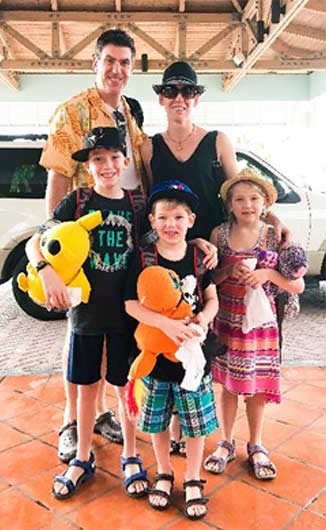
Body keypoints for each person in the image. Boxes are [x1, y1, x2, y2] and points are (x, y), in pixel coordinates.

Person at [140, 60, 291, 454]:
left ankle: (206, 428)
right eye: (170, 91)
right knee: (170, 334)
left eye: (186, 91)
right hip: (172, 249)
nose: (178, 99)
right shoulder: (148, 146)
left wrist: (272, 215)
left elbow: (239, 190)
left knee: (206, 335)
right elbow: (147, 204)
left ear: (196, 98)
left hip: (214, 254)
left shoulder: (218, 141)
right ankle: (174, 434)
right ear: (160, 97)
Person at [40, 28, 148, 460]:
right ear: (95, 63)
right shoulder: (71, 112)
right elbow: (58, 181)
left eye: (125, 62)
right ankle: (72, 419)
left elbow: (139, 168)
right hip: (84, 246)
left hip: (124, 239)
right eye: (110, 61)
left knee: (113, 336)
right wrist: (56, 250)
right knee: (81, 334)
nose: (117, 70)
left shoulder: (128, 113)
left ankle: (101, 413)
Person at [27, 127, 149, 499]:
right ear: (88, 166)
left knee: (124, 387)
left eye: (114, 158)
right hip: (86, 317)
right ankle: (82, 456)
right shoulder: (76, 203)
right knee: (85, 389)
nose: (107, 165)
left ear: (125, 162)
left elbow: (162, 240)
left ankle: (130, 453)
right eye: (98, 159)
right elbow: (38, 240)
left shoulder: (138, 204)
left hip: (126, 315)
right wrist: (45, 270)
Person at [125, 180, 219, 520]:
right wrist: (165, 325)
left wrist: (205, 319)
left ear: (191, 220)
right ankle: (164, 472)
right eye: (163, 217)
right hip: (156, 364)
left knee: (195, 425)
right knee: (157, 421)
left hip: (192, 364)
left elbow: (211, 298)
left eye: (178, 217)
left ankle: (193, 477)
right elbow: (131, 304)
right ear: (152, 220)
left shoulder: (198, 257)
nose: (171, 225)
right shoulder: (143, 257)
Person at [203, 168, 304, 480]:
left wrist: (266, 275)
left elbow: (297, 285)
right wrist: (226, 272)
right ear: (230, 204)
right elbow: (210, 279)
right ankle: (226, 441)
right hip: (226, 319)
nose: (247, 204)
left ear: (265, 203)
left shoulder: (275, 236)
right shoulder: (218, 234)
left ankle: (256, 444)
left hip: (259, 324)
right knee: (229, 386)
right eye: (240, 199)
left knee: (257, 386)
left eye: (254, 198)